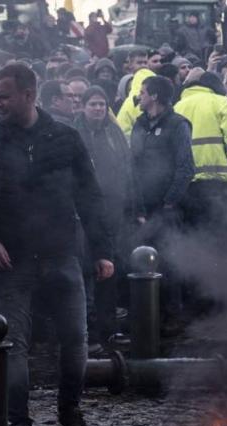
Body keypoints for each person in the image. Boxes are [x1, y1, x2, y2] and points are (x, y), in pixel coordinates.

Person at [0, 63, 114, 426]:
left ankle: (70, 409)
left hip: (62, 254)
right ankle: (19, 423)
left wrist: (102, 251)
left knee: (75, 338)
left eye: (4, 96)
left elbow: (90, 196)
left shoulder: (66, 138)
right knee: (14, 343)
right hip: (10, 261)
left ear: (29, 96)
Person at [74, 86, 138, 348]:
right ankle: (87, 331)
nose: (98, 109)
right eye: (93, 104)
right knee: (86, 271)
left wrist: (135, 208)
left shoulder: (114, 132)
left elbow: (128, 171)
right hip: (82, 214)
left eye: (102, 104)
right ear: (83, 106)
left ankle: (108, 330)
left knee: (109, 269)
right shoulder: (74, 133)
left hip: (113, 211)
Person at [130, 76, 196, 325]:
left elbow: (186, 167)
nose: (139, 96)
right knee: (141, 263)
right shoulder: (139, 124)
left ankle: (173, 318)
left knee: (169, 263)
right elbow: (132, 166)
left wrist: (169, 202)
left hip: (167, 209)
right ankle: (147, 318)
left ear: (155, 96)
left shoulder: (178, 125)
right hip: (143, 208)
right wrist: (137, 205)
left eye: (143, 92)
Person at [174, 70, 227, 234]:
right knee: (220, 236)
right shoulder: (223, 103)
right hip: (219, 184)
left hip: (187, 185)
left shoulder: (177, 106)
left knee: (193, 236)